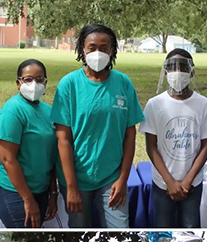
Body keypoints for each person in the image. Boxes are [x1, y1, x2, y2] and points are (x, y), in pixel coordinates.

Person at [51, 23, 144, 228]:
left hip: (111, 177)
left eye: (104, 47)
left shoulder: (123, 84)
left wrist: (122, 180)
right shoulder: (69, 85)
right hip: (76, 178)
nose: (98, 52)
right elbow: (63, 139)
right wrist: (72, 187)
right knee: (78, 235)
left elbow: (130, 136)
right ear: (82, 50)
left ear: (112, 51)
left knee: (120, 232)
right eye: (92, 47)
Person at [139, 49, 207, 228]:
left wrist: (188, 180)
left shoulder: (204, 105)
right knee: (163, 228)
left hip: (192, 182)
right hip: (162, 182)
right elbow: (151, 146)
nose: (178, 72)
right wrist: (169, 181)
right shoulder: (155, 104)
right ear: (165, 72)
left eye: (183, 67)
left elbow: (206, 145)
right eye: (172, 68)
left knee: (190, 228)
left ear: (192, 72)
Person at [0, 59, 59, 228]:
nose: (33, 84)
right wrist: (28, 199)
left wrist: (53, 193)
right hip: (14, 191)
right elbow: (7, 159)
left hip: (41, 189)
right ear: (18, 83)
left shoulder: (48, 111)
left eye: (39, 79)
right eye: (28, 79)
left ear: (45, 82)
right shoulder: (13, 111)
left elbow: (51, 156)